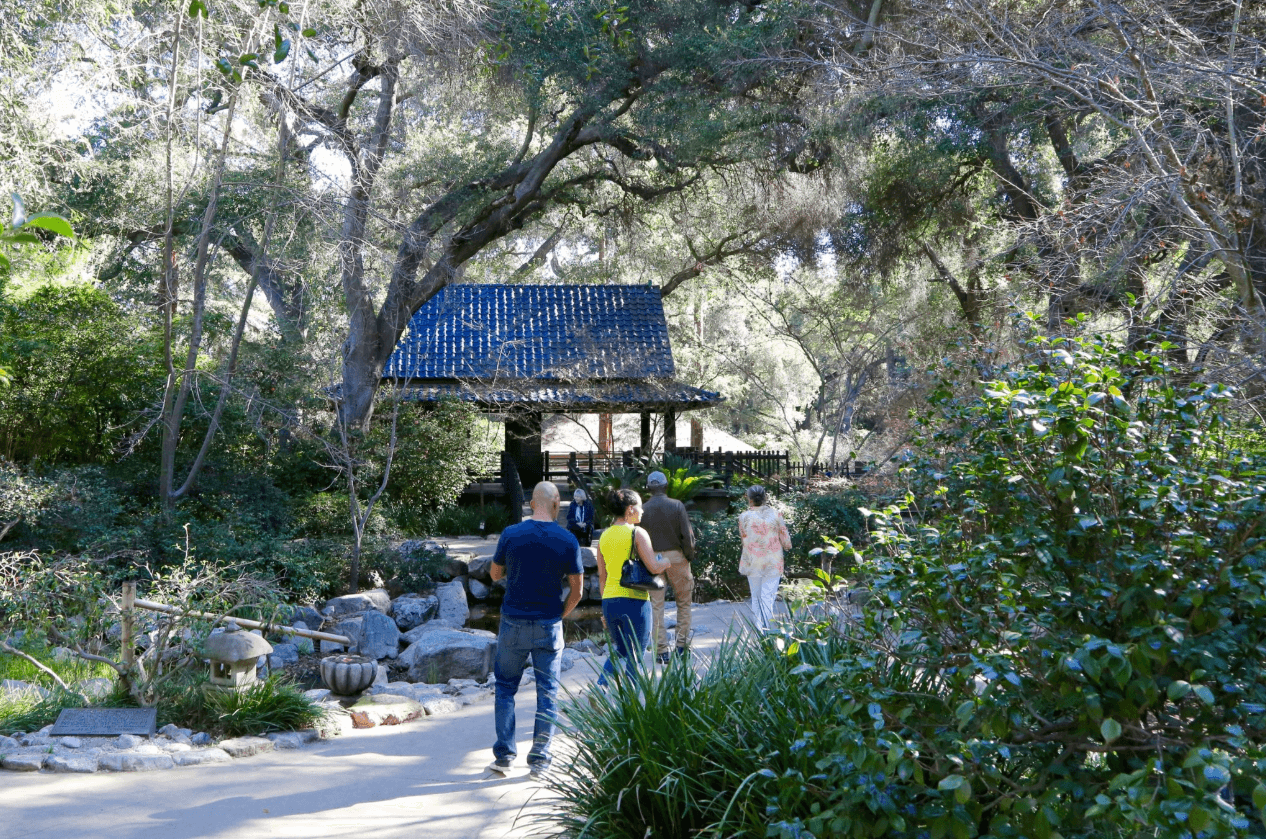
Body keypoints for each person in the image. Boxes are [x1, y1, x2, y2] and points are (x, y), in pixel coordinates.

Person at [488, 481, 584, 777]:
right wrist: (560, 614)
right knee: (548, 692)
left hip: (513, 621)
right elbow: (577, 591)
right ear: (557, 504)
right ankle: (540, 759)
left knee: (505, 688)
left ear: (532, 503)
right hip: (548, 624)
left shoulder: (511, 533)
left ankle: (504, 756)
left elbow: (494, 575)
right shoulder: (567, 539)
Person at [596, 488, 671, 685]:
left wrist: (604, 608)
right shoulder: (638, 533)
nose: (643, 511)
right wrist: (666, 562)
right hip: (635, 601)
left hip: (610, 601)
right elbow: (654, 567)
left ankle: (601, 687)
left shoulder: (604, 536)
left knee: (621, 650)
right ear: (630, 509)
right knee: (635, 654)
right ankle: (633, 704)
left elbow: (602, 577)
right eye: (640, 507)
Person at [640, 470, 696, 664]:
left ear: (649, 488)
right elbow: (687, 537)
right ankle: (681, 647)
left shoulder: (643, 509)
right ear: (665, 486)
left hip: (652, 557)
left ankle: (661, 652)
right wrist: (688, 557)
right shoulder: (676, 505)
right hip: (676, 557)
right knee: (684, 602)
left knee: (656, 606)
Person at [737, 484, 791, 632]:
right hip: (773, 560)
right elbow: (786, 541)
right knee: (768, 596)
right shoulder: (776, 514)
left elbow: (744, 539)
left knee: (756, 597)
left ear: (749, 499)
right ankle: (766, 629)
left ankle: (759, 628)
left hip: (753, 560)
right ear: (765, 497)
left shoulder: (743, 517)